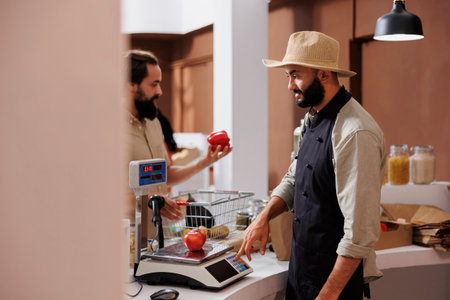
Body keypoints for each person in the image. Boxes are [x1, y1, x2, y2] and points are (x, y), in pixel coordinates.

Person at [235, 31, 386, 299]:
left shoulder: (355, 132)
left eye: (296, 75)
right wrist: (264, 216)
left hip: (334, 284)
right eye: (288, 76)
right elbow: (295, 178)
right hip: (302, 269)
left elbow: (360, 232)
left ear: (324, 75)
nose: (290, 85)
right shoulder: (312, 118)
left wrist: (328, 294)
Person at [125, 49, 232, 237]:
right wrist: (151, 200)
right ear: (131, 85)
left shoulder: (153, 123)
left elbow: (165, 175)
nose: (160, 91)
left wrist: (204, 162)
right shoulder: (108, 131)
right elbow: (102, 196)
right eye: (154, 84)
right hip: (127, 242)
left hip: (160, 236)